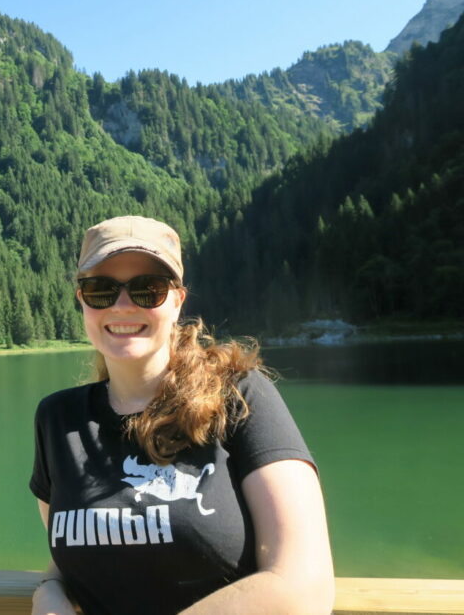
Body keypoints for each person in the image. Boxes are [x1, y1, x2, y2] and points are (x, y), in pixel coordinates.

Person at [30, 216, 334, 615]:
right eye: (101, 290)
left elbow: (305, 586)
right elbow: (83, 537)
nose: (122, 305)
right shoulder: (58, 419)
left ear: (177, 301)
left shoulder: (239, 396)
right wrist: (50, 587)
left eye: (148, 290)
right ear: (82, 301)